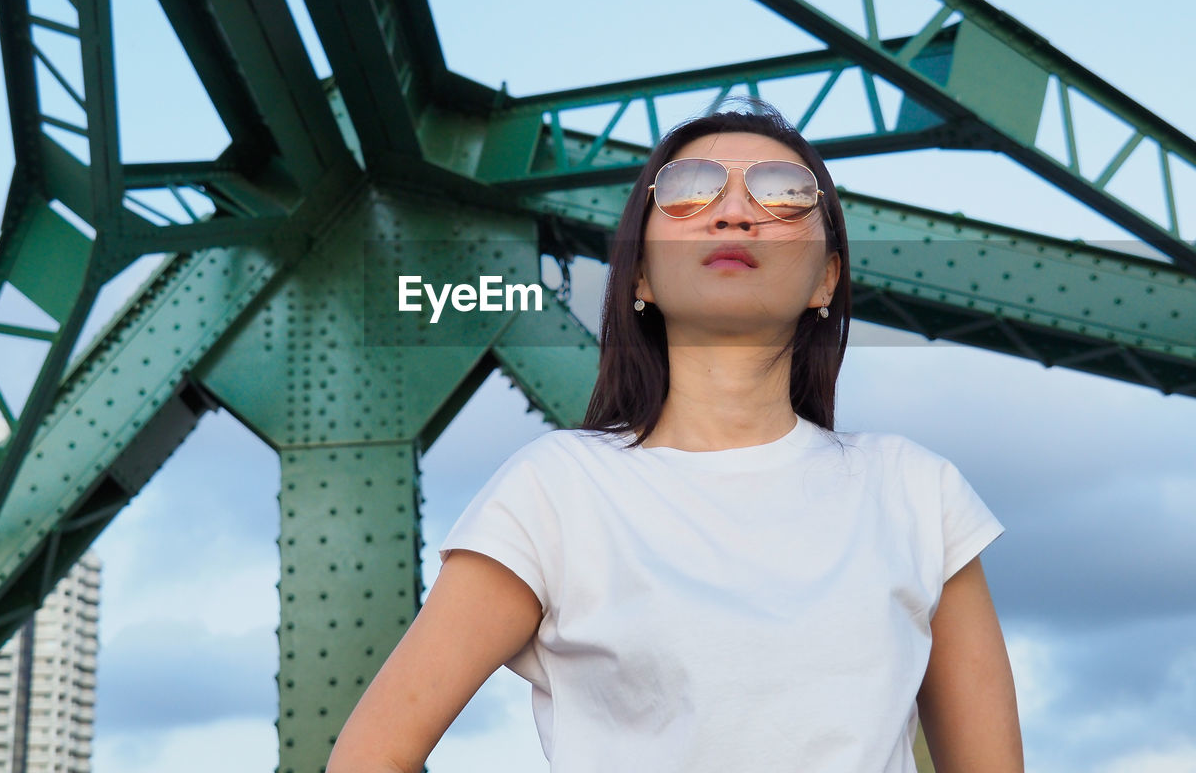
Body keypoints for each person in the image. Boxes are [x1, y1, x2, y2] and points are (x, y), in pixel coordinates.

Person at [326, 104, 1024, 772]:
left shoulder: (916, 492)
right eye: (688, 192)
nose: (734, 210)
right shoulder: (557, 490)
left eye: (784, 194)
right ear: (640, 274)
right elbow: (371, 755)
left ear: (827, 278)